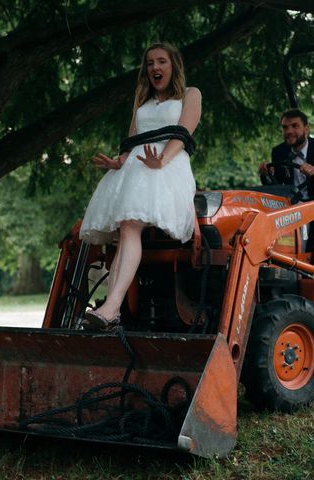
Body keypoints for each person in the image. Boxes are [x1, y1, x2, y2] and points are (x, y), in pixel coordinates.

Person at [79, 42, 201, 330]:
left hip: (166, 166)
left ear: (173, 66)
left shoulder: (190, 94)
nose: (155, 68)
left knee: (130, 226)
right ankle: (112, 308)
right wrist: (118, 162)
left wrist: (162, 160)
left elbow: (183, 133)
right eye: (150, 63)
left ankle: (112, 307)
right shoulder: (142, 102)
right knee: (126, 230)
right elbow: (132, 140)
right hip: (136, 168)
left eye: (161, 61)